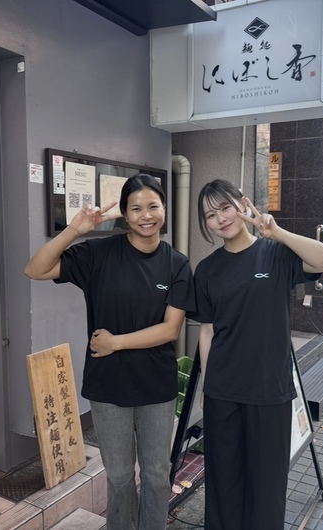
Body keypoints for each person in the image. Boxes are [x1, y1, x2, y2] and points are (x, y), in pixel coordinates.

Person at [24, 174, 195, 530]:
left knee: (156, 474)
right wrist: (74, 231)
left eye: (153, 206)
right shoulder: (99, 253)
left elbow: (171, 329)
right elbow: (34, 269)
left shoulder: (176, 263)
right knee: (118, 476)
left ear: (164, 209)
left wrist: (115, 342)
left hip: (155, 385)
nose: (146, 216)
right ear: (125, 214)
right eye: (136, 208)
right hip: (108, 384)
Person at [189, 179, 323, 530]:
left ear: (242, 205)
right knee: (224, 482)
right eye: (210, 215)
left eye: (225, 208)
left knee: (267, 485)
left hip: (270, 390)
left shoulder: (275, 254)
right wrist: (208, 387)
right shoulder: (207, 269)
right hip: (223, 391)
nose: (221, 219)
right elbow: (207, 331)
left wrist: (277, 232)